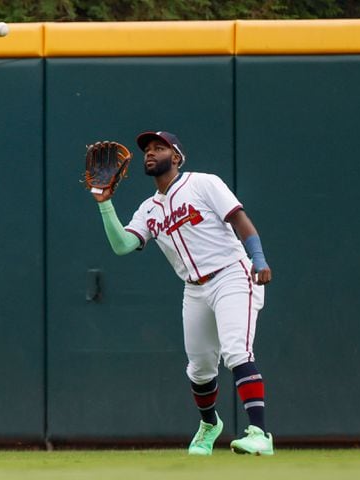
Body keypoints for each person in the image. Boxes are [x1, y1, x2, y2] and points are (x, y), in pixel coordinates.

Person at [90, 131, 274, 456]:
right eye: (147, 149)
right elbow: (122, 246)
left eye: (158, 148)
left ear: (175, 157)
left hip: (232, 274)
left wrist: (258, 259)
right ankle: (209, 425)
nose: (150, 153)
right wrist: (105, 205)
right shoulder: (149, 209)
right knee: (200, 369)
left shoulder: (204, 184)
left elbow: (240, 220)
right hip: (194, 289)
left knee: (236, 351)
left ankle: (260, 433)